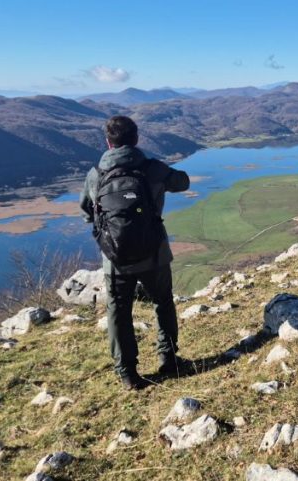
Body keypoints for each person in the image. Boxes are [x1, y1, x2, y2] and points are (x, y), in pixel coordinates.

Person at [80, 115, 191, 389]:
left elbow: (86, 208)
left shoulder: (96, 173)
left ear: (108, 142)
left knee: (119, 309)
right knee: (162, 302)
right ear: (137, 139)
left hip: (115, 258)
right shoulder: (151, 168)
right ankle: (168, 358)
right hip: (154, 252)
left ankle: (127, 372)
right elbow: (183, 182)